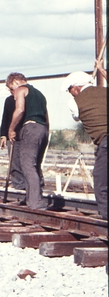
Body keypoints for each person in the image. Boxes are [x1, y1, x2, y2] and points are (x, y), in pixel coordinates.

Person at [63, 71, 107, 219]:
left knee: (101, 182)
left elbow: (76, 117)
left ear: (75, 88)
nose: (71, 94)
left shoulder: (74, 102)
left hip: (105, 141)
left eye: (70, 91)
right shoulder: (105, 91)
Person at [6, 72, 49, 210]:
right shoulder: (40, 95)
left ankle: (35, 202)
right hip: (42, 129)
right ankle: (34, 198)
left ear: (16, 82)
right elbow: (46, 117)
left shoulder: (21, 89)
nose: (12, 93)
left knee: (27, 165)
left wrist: (11, 129)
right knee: (35, 165)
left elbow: (19, 110)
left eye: (11, 89)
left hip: (30, 128)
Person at [0, 94, 26, 191]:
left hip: (26, 135)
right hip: (12, 136)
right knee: (14, 162)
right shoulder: (9, 100)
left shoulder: (27, 99)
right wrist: (3, 135)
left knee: (27, 162)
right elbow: (5, 117)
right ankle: (18, 185)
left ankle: (31, 185)